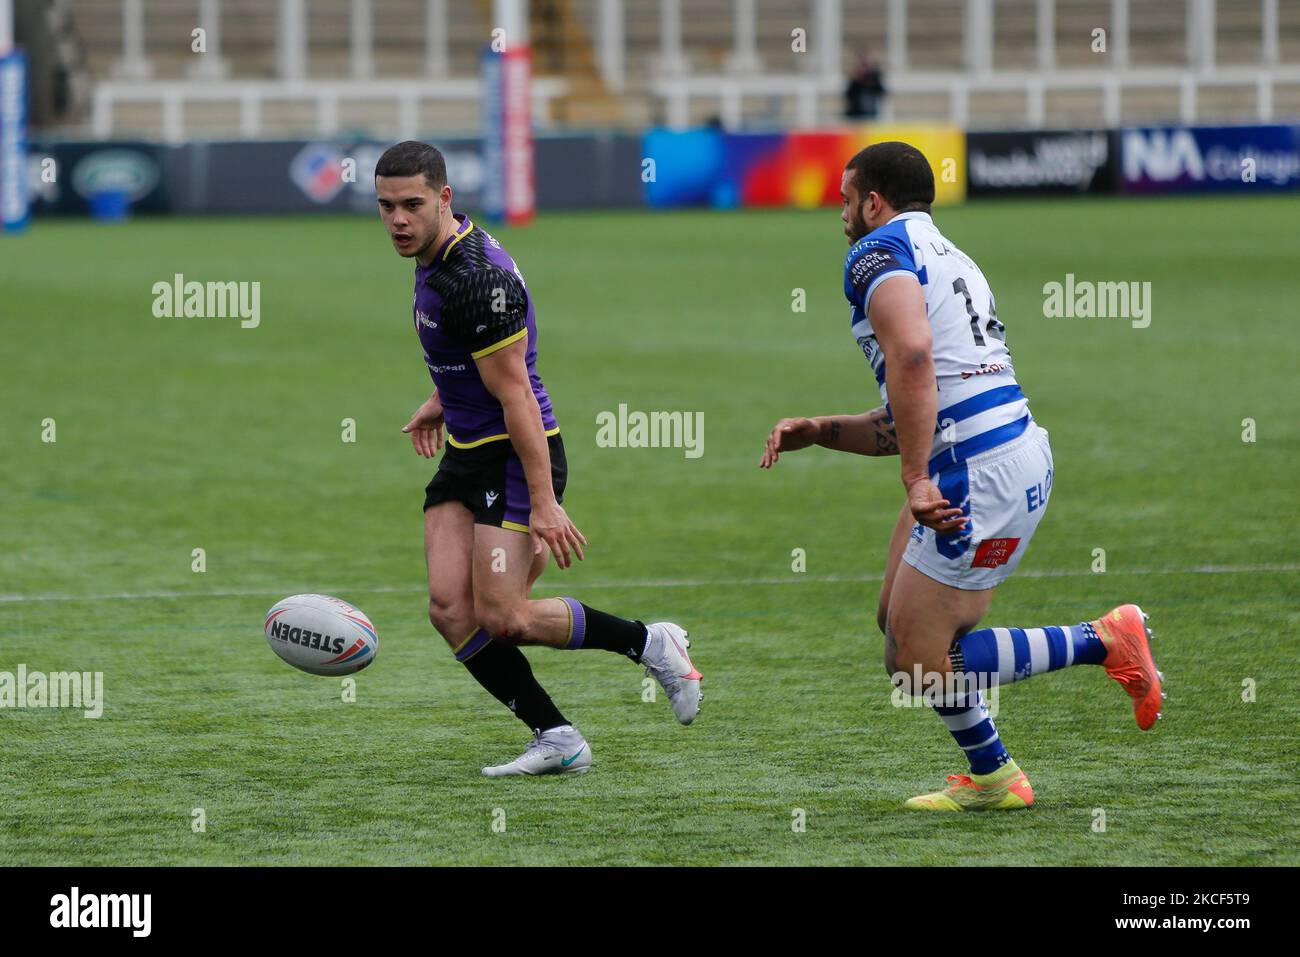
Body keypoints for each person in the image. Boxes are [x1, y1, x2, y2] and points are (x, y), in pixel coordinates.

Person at [760, 141, 1163, 810]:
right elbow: (916, 402)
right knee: (895, 619)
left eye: (845, 196)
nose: (840, 210)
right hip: (997, 451)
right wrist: (823, 430)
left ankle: (1104, 640)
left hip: (977, 471)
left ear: (874, 201)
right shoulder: (949, 254)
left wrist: (917, 479)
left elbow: (915, 357)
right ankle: (995, 777)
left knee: (917, 663)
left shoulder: (873, 251)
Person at [375, 141, 702, 776]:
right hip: (468, 452)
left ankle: (650, 642)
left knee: (505, 618)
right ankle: (557, 736)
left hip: (513, 457)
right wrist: (442, 400)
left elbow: (518, 392)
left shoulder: (475, 280)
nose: (398, 220)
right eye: (386, 206)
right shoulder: (439, 252)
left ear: (444, 198)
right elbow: (486, 360)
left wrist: (545, 503)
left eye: (412, 204)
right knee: (449, 610)